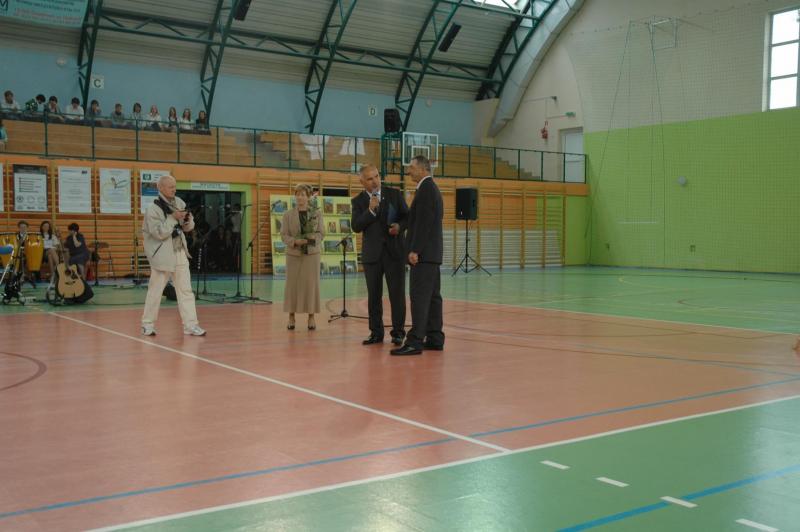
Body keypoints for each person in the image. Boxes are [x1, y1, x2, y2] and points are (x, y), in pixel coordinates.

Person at [391, 155, 444, 356]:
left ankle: (415, 341)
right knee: (433, 298)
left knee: (420, 298)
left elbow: (424, 223)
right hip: (432, 255)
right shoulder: (430, 188)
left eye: (412, 168)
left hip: (424, 255)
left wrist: (415, 250)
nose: (408, 171)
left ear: (422, 169)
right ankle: (435, 338)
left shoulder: (426, 189)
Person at [351, 164, 408, 346]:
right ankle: (376, 333)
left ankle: (398, 333)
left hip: (394, 253)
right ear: (362, 182)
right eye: (370, 179)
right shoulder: (358, 201)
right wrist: (370, 211)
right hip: (372, 255)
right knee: (374, 296)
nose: (375, 181)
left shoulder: (394, 194)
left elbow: (407, 217)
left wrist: (399, 227)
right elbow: (356, 226)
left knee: (397, 295)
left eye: (376, 176)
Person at [141, 174, 205, 336]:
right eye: (171, 187)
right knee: (155, 291)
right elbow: (159, 233)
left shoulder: (179, 203)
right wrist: (172, 218)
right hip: (162, 255)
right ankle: (147, 324)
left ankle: (191, 325)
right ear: (161, 188)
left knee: (186, 290)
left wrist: (187, 220)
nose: (174, 189)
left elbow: (188, 227)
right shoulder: (153, 209)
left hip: (180, 251)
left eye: (175, 186)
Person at [280, 184, 324, 331]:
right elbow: (284, 235)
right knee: (292, 286)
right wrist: (294, 241)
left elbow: (321, 233)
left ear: (309, 197)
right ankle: (291, 317)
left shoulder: (317, 214)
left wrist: (311, 239)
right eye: (297, 194)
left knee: (311, 286)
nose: (300, 197)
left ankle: (311, 317)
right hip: (293, 255)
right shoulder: (287, 215)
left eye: (303, 194)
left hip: (312, 255)